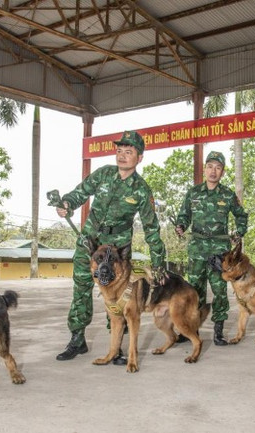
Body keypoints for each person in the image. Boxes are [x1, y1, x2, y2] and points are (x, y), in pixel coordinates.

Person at [54, 130, 167, 364]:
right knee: (81, 287)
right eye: (119, 151)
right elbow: (80, 193)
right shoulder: (104, 174)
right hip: (90, 242)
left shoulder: (141, 189)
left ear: (139, 157)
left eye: (129, 152)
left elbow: (151, 228)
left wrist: (158, 263)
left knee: (119, 295)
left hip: (118, 249)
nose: (122, 156)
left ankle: (116, 348)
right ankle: (77, 339)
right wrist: (66, 203)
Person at [174, 151, 248, 346]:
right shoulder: (193, 193)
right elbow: (184, 215)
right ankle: (191, 330)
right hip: (197, 250)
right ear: (205, 169)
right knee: (194, 291)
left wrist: (239, 232)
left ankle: (218, 332)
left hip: (219, 252)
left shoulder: (227, 195)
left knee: (220, 291)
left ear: (222, 172)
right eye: (210, 167)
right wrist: (181, 226)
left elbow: (241, 215)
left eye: (218, 168)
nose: (213, 171)